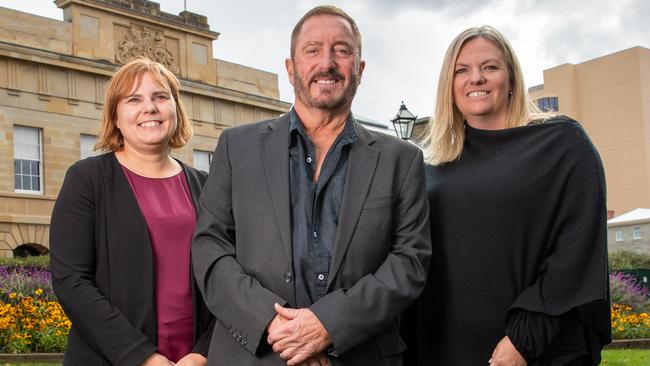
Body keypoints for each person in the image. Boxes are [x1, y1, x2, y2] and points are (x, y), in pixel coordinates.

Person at [191, 5, 431, 366]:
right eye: (312, 50)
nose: (327, 62)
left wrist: (328, 325)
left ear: (360, 69)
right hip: (255, 354)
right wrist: (274, 325)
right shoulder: (236, 147)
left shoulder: (402, 159)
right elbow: (210, 248)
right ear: (291, 69)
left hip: (359, 355)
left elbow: (410, 262)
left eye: (342, 50)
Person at [409, 25, 611, 365]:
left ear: (511, 77)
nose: (476, 78)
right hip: (444, 349)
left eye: (490, 67)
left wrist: (523, 340)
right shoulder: (431, 164)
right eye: (462, 70)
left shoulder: (561, 144)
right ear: (450, 85)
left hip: (531, 350)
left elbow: (577, 252)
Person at [50, 57, 214, 366]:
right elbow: (71, 280)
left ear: (175, 109)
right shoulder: (87, 179)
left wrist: (202, 353)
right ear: (115, 116)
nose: (149, 108)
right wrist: (142, 357)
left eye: (160, 96)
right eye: (134, 99)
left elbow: (223, 277)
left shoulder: (205, 186)